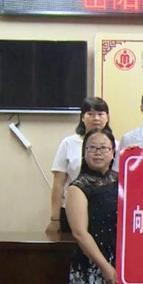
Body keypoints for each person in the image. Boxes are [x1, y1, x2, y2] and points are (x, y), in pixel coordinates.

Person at [48, 97, 112, 233]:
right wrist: (54, 219)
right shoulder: (68, 143)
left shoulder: (114, 145)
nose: (96, 118)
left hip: (105, 211)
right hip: (71, 210)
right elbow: (58, 184)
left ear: (107, 117)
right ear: (82, 117)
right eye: (90, 114)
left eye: (100, 114)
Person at [66, 128, 119, 284]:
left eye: (104, 148)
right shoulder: (78, 187)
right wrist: (104, 266)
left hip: (121, 259)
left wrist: (136, 155)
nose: (98, 152)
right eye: (92, 147)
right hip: (94, 262)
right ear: (84, 152)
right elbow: (79, 233)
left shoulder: (122, 179)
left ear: (113, 153)